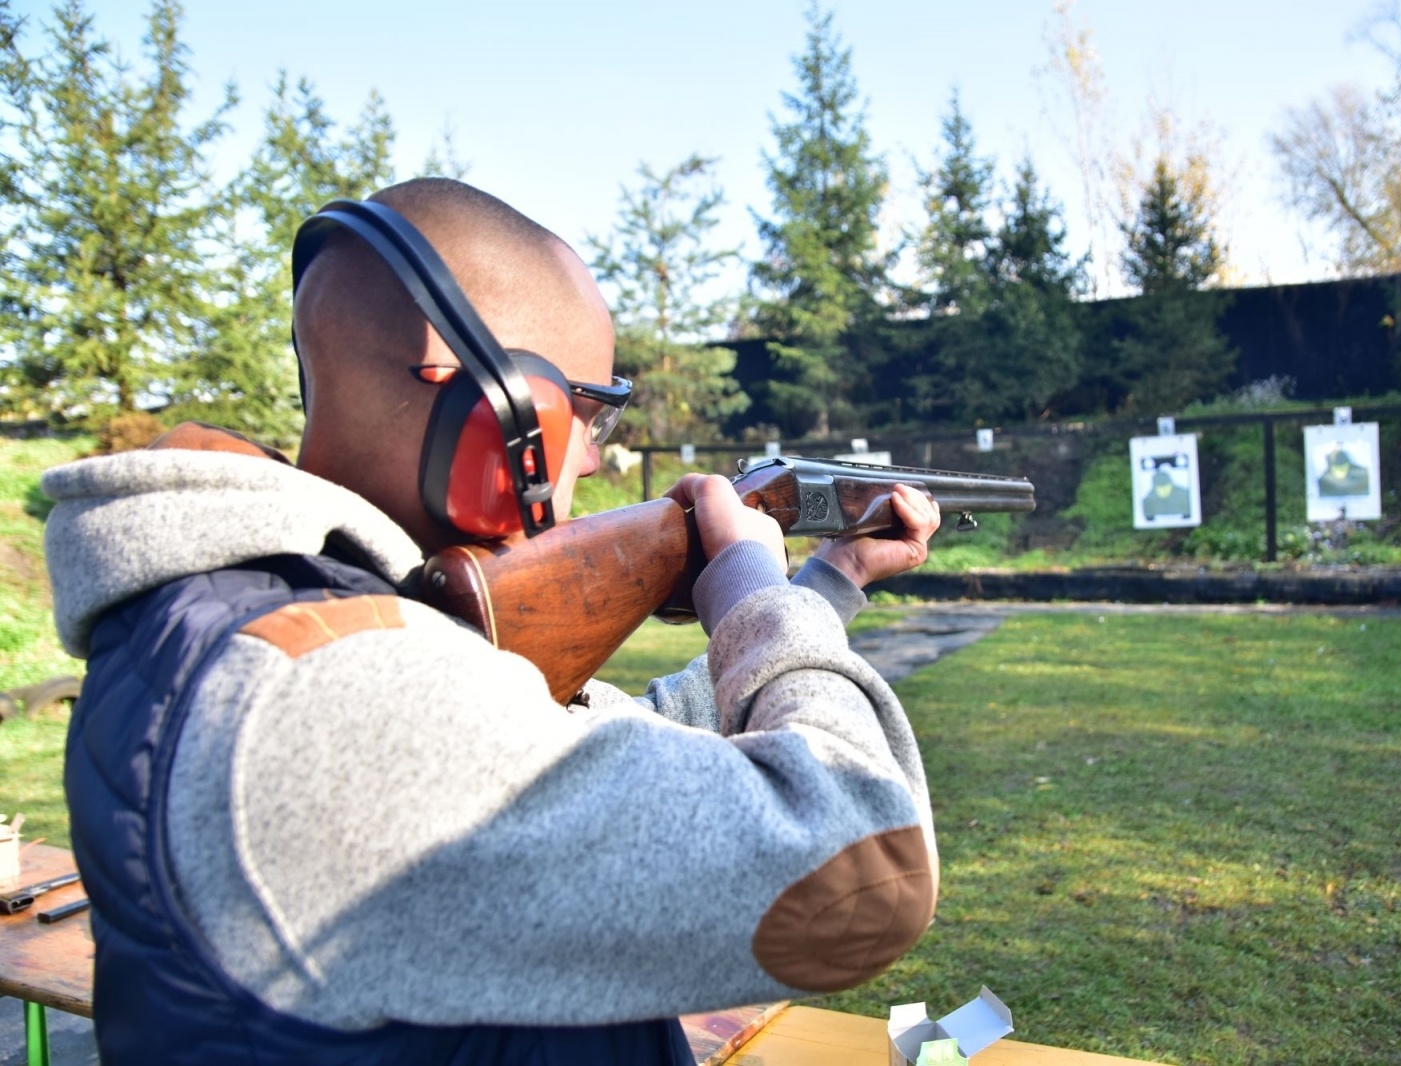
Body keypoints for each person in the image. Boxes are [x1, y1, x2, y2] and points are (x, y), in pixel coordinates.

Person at [43, 178, 941, 1065]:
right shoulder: (317, 695)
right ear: (497, 405)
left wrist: (827, 583)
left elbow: (609, 766)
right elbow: (862, 868)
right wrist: (754, 592)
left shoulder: (286, 632)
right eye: (587, 408)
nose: (595, 451)